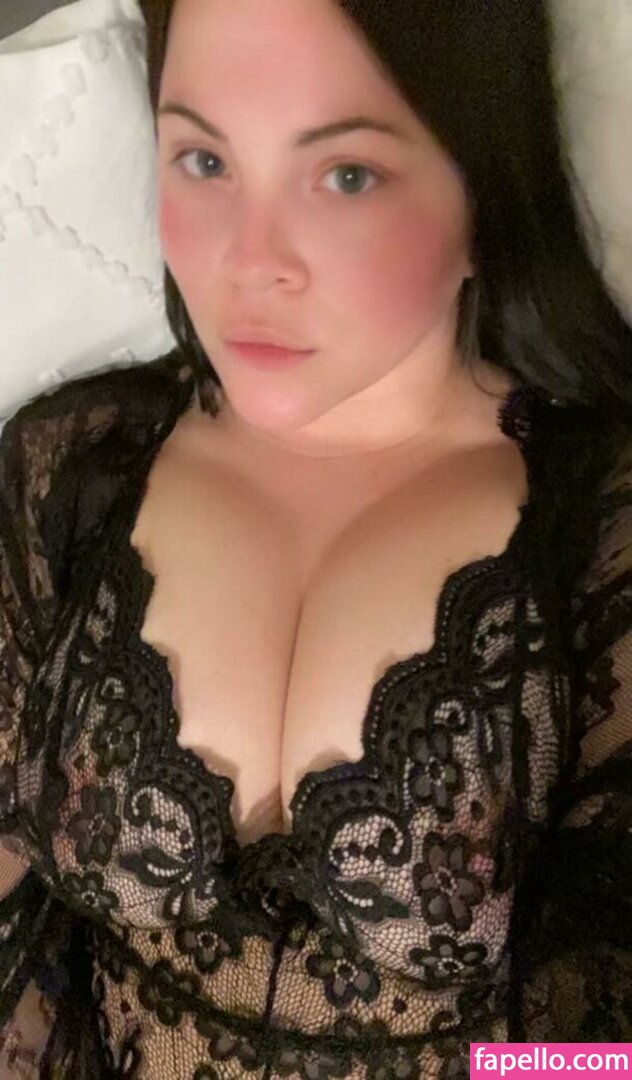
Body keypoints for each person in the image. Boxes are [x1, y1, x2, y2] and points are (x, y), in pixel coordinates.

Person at [2, 0, 632, 1075]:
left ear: (478, 182)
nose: (250, 262)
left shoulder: (603, 523)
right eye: (204, 160)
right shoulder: (70, 466)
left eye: (345, 175)